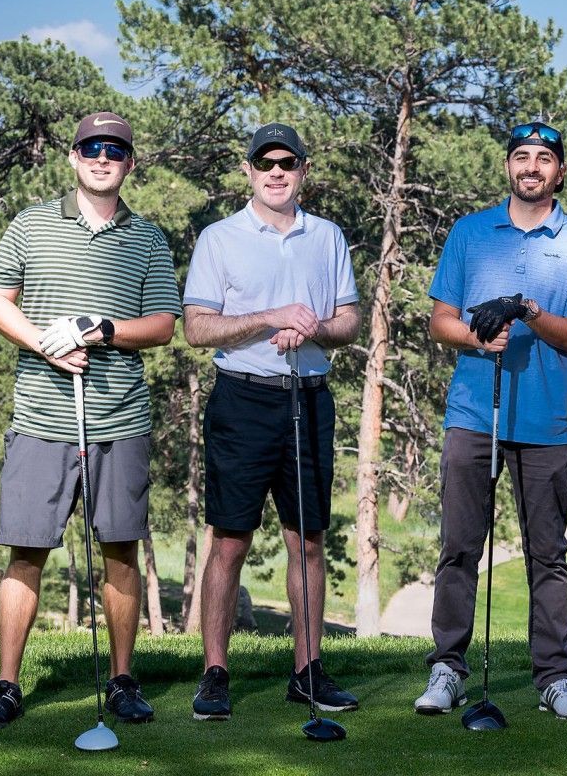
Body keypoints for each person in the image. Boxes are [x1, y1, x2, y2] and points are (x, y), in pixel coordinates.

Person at [0, 111, 181, 728]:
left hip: (120, 418)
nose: (102, 157)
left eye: (114, 149)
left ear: (129, 164)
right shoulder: (32, 224)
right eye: (92, 147)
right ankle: (7, 686)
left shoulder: (147, 238)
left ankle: (121, 681)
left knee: (120, 551)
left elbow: (164, 326)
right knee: (27, 551)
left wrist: (105, 330)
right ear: (72, 156)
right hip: (41, 416)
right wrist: (46, 342)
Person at [414, 120, 567, 720]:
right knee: (460, 547)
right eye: (521, 156)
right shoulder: (470, 233)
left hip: (545, 421)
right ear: (507, 168)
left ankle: (554, 677)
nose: (531, 167)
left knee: (548, 553)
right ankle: (447, 669)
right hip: (473, 414)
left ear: (559, 172)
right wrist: (478, 336)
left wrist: (528, 312)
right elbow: (440, 321)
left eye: (543, 158)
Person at [182, 122, 362, 722]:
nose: (277, 172)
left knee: (307, 540)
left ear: (304, 170)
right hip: (243, 399)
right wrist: (270, 317)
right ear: (249, 171)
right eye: (266, 163)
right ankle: (215, 673)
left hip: (309, 397)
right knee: (229, 540)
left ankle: (306, 671)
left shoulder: (328, 237)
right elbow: (198, 327)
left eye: (288, 162)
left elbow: (348, 322)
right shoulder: (220, 238)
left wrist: (312, 326)